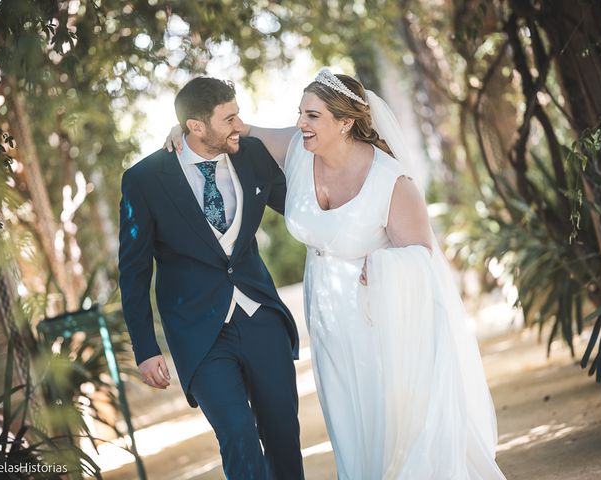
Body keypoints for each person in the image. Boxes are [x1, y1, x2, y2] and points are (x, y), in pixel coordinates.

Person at [165, 68, 506, 479]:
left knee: (388, 420)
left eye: (312, 116)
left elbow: (421, 255)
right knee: (347, 423)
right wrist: (183, 130)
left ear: (345, 123)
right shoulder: (296, 150)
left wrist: (380, 266)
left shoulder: (390, 180)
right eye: (300, 113)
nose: (300, 124)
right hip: (326, 321)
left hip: (380, 320)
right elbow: (236, 128)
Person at [119, 76, 304, 480]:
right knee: (237, 436)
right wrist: (146, 348)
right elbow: (133, 272)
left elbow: (301, 210)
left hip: (262, 320)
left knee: (283, 435)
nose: (240, 126)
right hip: (199, 335)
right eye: (230, 119)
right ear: (196, 127)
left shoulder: (252, 153)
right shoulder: (145, 180)